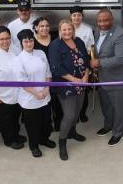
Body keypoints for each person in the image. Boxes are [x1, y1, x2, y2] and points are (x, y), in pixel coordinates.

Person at [48, 19, 89, 161]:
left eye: (69, 29)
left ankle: (73, 132)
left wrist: (85, 76)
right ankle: (62, 141)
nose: (67, 32)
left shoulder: (79, 42)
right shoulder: (55, 45)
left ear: (73, 30)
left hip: (82, 84)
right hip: (66, 85)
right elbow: (56, 68)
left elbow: (87, 60)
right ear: (60, 31)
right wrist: (74, 80)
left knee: (77, 111)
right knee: (70, 115)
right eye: (64, 30)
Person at [91, 8, 123, 146]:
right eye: (100, 21)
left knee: (119, 109)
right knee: (106, 106)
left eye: (105, 20)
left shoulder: (121, 35)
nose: (102, 23)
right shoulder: (97, 31)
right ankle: (108, 126)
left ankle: (118, 132)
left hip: (118, 79)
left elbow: (121, 59)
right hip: (103, 78)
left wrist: (99, 63)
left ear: (112, 20)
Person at [15, 29, 56, 158]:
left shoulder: (41, 53)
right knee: (33, 125)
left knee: (46, 122)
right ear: (21, 43)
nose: (29, 44)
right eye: (26, 41)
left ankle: (44, 139)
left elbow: (48, 73)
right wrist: (36, 93)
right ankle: (34, 146)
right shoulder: (19, 60)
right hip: (29, 99)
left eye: (31, 40)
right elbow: (23, 82)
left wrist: (46, 89)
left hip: (45, 95)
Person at [0, 26, 25, 150]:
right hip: (2, 97)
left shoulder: (14, 50)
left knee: (14, 118)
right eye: (1, 39)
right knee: (5, 121)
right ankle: (9, 140)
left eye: (7, 38)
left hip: (17, 95)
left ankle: (16, 135)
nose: (5, 41)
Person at [32, 16, 62, 131]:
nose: (45, 28)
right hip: (41, 78)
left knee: (57, 102)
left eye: (47, 26)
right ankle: (47, 126)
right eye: (41, 26)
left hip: (56, 76)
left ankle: (58, 123)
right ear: (36, 28)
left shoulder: (55, 38)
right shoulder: (32, 42)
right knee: (45, 103)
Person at [69, 6, 95, 123]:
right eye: (74, 15)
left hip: (84, 63)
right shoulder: (67, 29)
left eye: (79, 15)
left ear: (82, 16)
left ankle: (82, 113)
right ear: (70, 17)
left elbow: (91, 47)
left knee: (83, 89)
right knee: (72, 89)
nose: (76, 17)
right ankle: (73, 113)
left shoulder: (88, 29)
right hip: (69, 64)